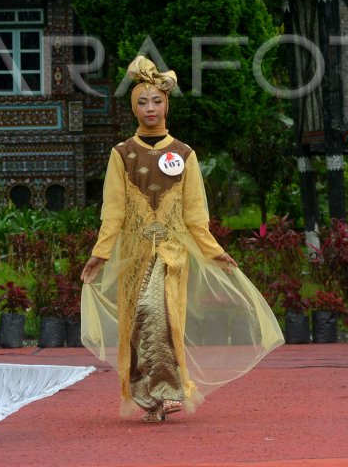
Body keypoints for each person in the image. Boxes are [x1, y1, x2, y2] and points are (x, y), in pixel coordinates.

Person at [80, 56, 283, 423]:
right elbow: (113, 212)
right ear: (133, 107)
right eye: (142, 102)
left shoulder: (184, 154)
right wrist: (101, 253)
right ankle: (148, 396)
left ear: (167, 104)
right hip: (134, 254)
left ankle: (169, 389)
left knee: (159, 312)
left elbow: (195, 215)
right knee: (139, 321)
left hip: (173, 253)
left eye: (156, 101)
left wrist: (215, 252)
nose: (150, 108)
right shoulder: (122, 155)